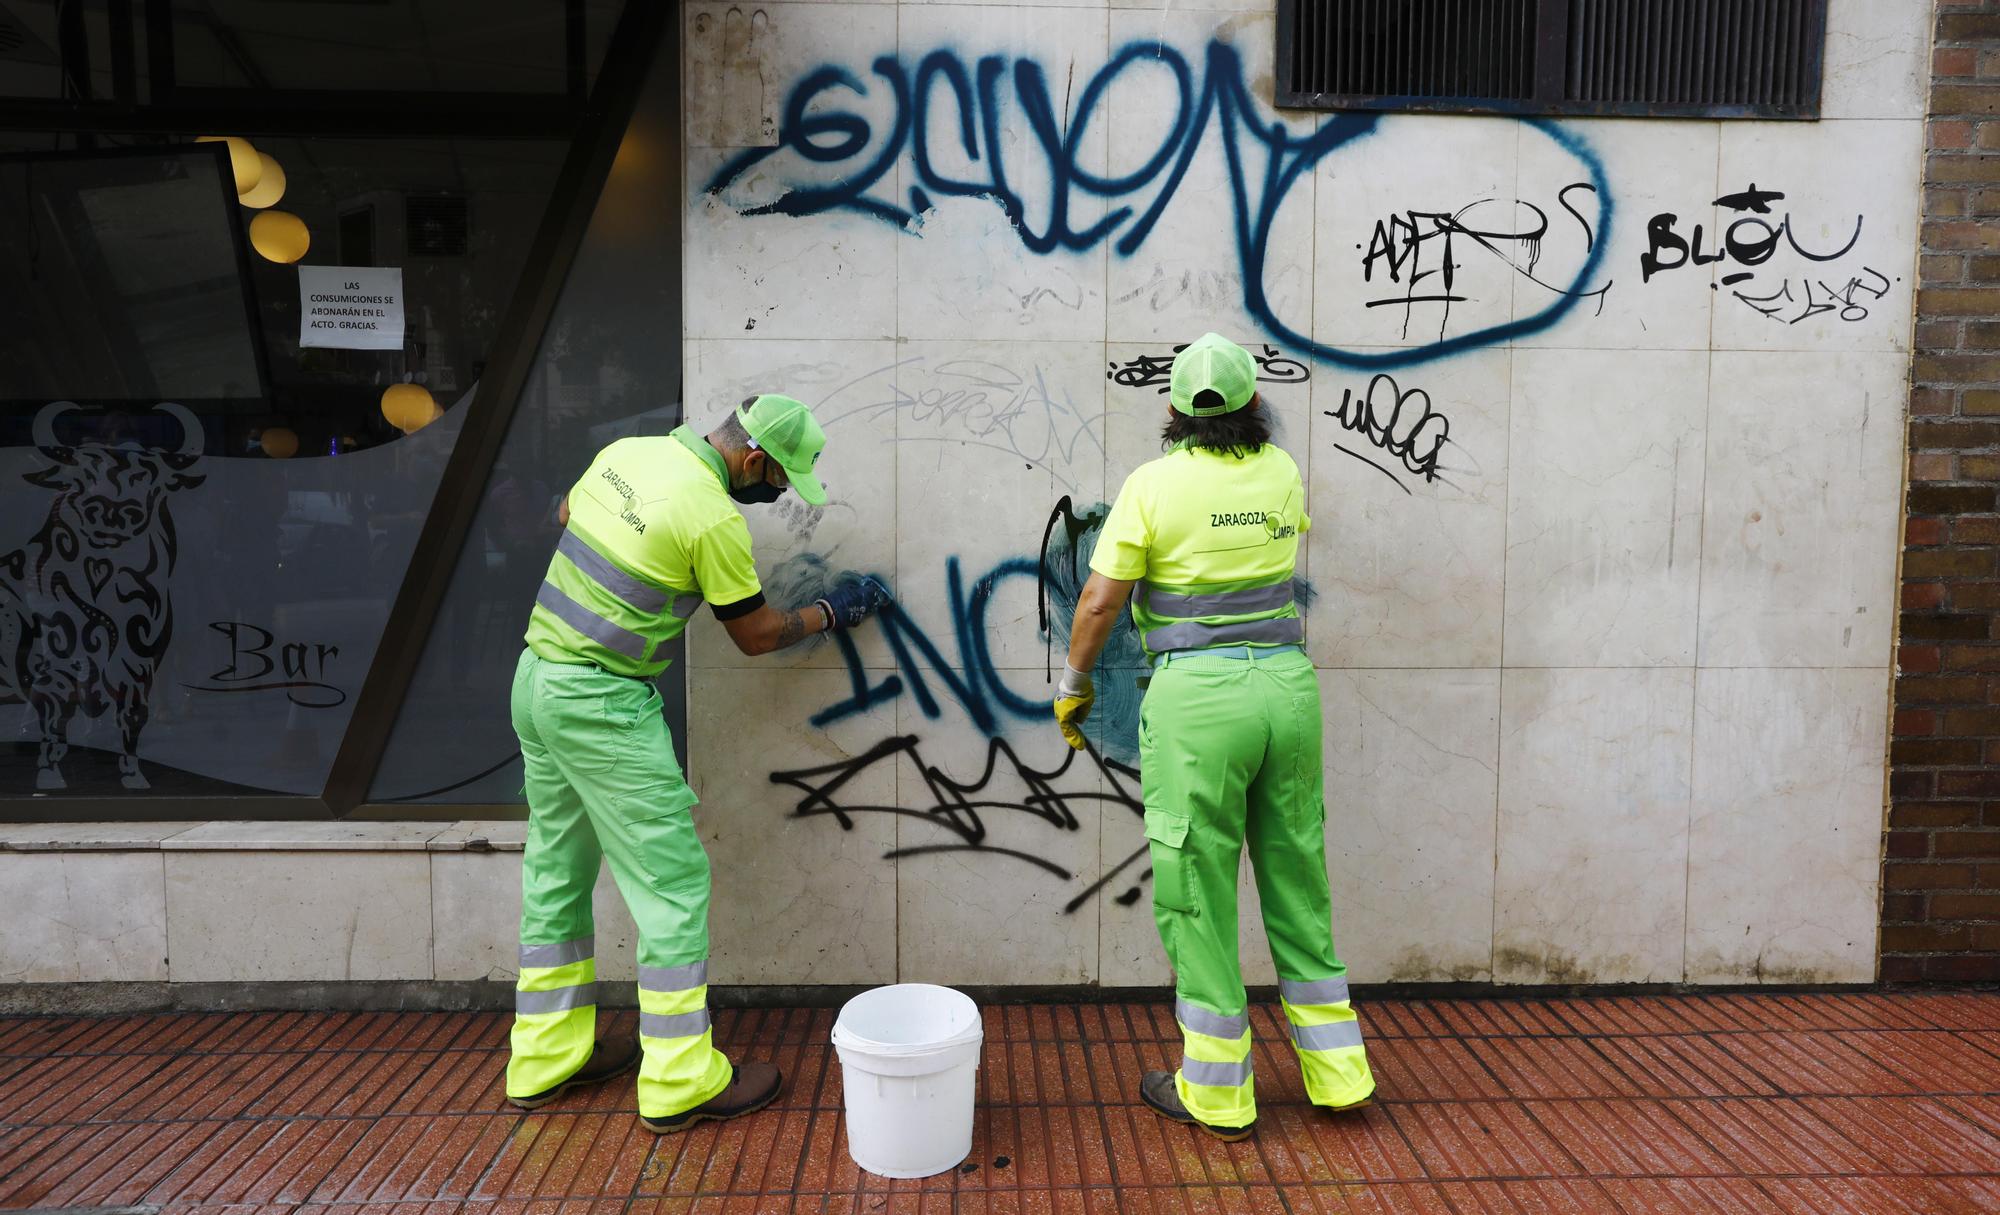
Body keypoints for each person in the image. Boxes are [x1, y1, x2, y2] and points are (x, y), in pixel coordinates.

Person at [504, 393, 889, 1133]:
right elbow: (757, 634)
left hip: (538, 682)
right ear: (751, 459)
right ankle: (680, 1076)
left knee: (555, 870)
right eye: (781, 480)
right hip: (603, 706)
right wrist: (834, 611)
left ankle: (545, 1056)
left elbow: (566, 519)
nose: (780, 495)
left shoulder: (626, 455)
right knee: (673, 885)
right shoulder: (712, 514)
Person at [1053, 334, 1374, 1140]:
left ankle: (1220, 1091)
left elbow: (1098, 600)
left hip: (1200, 701)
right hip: (1287, 691)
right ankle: (1339, 1073)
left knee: (1196, 887)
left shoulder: (1153, 485)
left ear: (1174, 409)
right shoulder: (1283, 472)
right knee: (1299, 872)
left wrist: (1074, 683)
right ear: (1251, 402)